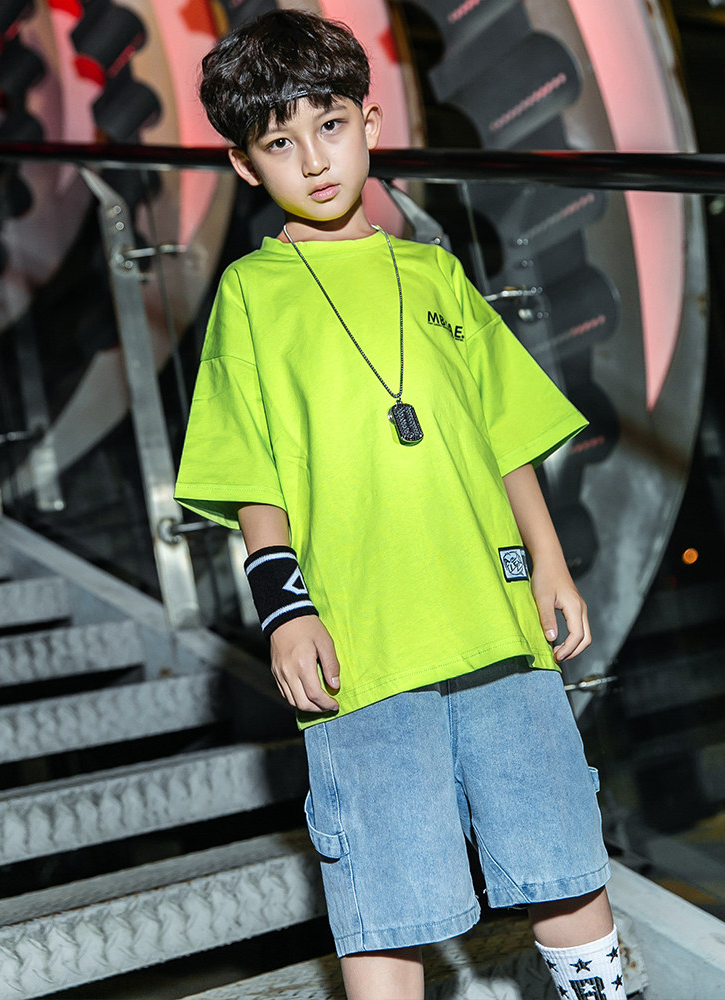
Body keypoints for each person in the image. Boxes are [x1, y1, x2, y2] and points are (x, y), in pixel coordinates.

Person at [175, 10, 627, 1000]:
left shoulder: (436, 271)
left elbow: (502, 433)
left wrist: (549, 561)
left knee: (561, 851)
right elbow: (250, 469)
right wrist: (285, 608)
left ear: (371, 122)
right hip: (363, 644)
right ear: (245, 166)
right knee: (387, 895)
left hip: (495, 621)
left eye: (331, 126)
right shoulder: (250, 294)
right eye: (280, 144)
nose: (314, 160)